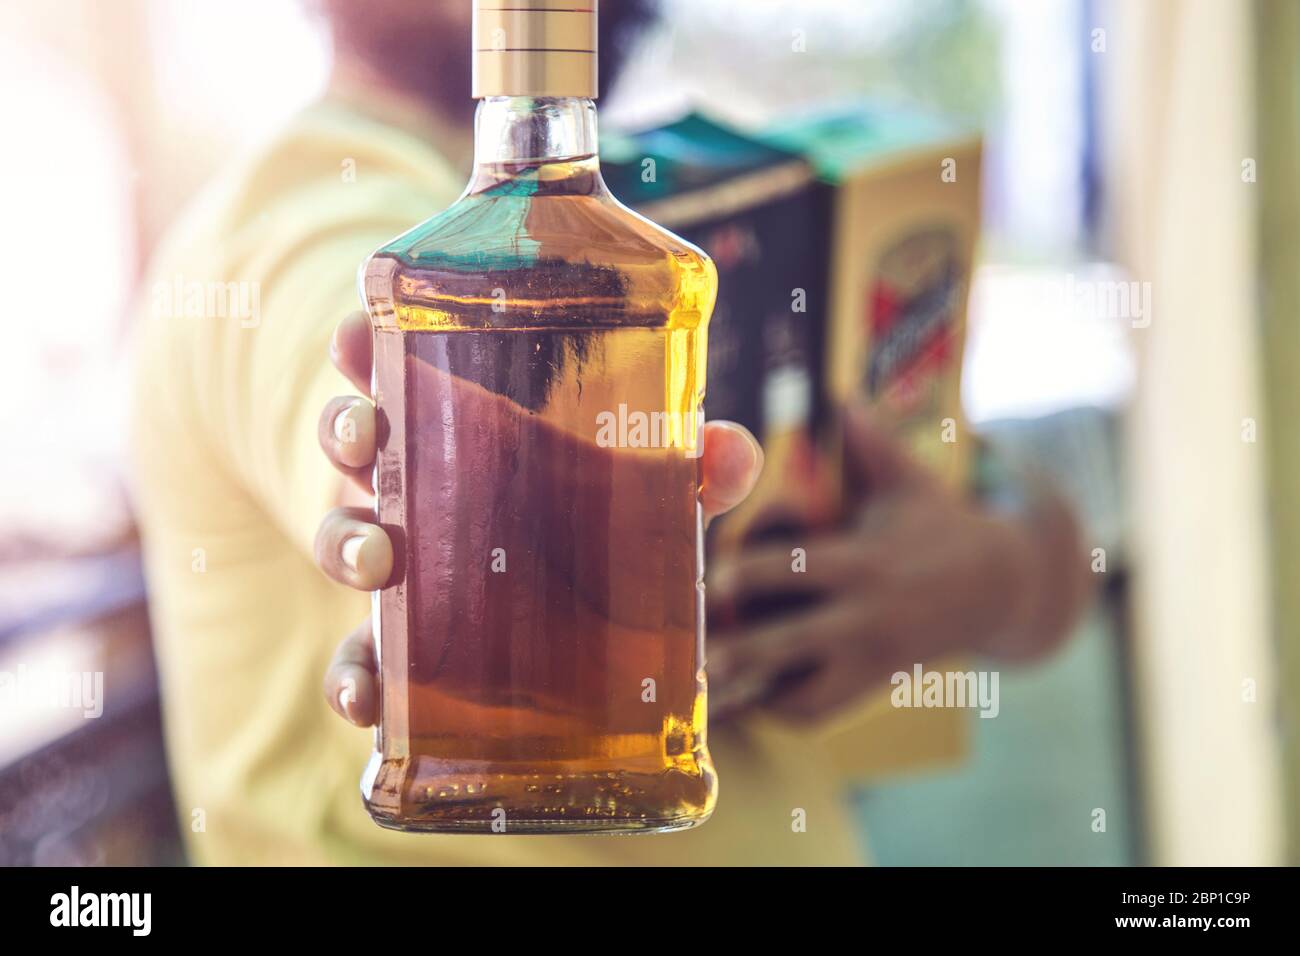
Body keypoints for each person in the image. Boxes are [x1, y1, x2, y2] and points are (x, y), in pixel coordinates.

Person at [130, 0, 1089, 865]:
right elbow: (346, 385)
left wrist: (980, 577)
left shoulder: (692, 213)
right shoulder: (289, 218)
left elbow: (1053, 559)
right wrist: (409, 488)